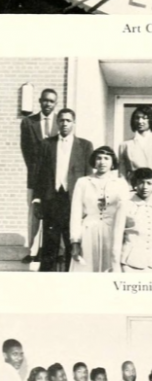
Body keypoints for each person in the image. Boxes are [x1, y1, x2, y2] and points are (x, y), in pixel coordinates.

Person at [32, 109, 93, 273]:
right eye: (61, 120)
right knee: (49, 247)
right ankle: (46, 285)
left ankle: (70, 283)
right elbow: (39, 174)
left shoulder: (85, 146)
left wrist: (88, 204)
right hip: (52, 201)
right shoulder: (47, 144)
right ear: (57, 123)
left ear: (74, 123)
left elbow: (89, 178)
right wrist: (37, 200)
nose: (64, 124)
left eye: (68, 120)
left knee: (71, 245)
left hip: (74, 203)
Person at [69, 146, 130, 274]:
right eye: (99, 158)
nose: (102, 162)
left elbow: (125, 212)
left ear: (112, 162)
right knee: (87, 269)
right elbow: (76, 213)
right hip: (88, 232)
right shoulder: (83, 182)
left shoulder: (121, 184)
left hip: (112, 232)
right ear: (94, 161)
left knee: (110, 269)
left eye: (106, 158)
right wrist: (75, 241)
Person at [20, 88, 59, 265]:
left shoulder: (60, 122)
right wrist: (36, 172)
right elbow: (26, 150)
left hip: (56, 177)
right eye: (45, 100)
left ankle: (57, 250)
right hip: (35, 176)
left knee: (56, 213)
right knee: (34, 213)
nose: (48, 104)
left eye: (51, 101)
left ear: (55, 103)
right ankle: (33, 251)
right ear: (40, 101)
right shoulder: (29, 122)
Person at [112, 168, 152, 274]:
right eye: (141, 182)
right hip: (129, 265)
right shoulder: (124, 206)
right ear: (135, 184)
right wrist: (116, 270)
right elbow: (116, 242)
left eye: (149, 183)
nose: (145, 187)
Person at [118, 106, 152, 184]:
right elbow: (122, 174)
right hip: (134, 187)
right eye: (137, 118)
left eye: (144, 118)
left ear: (151, 120)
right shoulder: (125, 145)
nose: (140, 121)